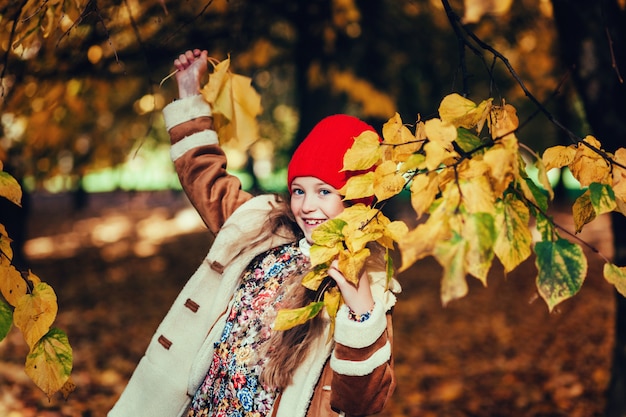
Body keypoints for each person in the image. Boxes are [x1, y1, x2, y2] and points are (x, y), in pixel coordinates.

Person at [108, 49, 400, 417]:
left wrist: (360, 315)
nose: (307, 206)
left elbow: (363, 403)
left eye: (325, 192)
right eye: (299, 190)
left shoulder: (367, 283)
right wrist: (188, 96)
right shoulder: (266, 229)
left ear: (357, 200)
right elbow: (207, 179)